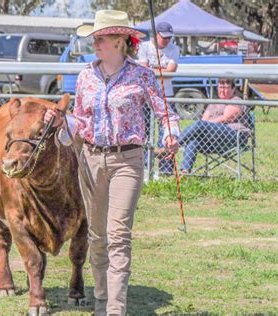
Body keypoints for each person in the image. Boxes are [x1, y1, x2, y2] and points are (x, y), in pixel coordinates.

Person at [44, 10, 180, 316]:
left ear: (120, 41)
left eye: (101, 37)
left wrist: (171, 135)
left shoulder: (142, 75)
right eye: (94, 38)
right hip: (90, 160)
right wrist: (60, 123)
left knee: (118, 235)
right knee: (97, 235)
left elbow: (165, 113)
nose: (95, 42)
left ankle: (115, 309)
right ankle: (102, 301)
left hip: (127, 160)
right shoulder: (85, 77)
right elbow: (79, 123)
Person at [179, 78, 248, 174]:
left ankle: (176, 143)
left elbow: (227, 118)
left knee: (200, 124)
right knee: (193, 141)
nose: (222, 90)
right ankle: (185, 171)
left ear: (233, 89)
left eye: (225, 87)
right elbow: (204, 120)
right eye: (220, 87)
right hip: (215, 140)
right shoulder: (213, 103)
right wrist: (205, 125)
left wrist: (207, 124)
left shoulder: (236, 100)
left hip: (234, 136)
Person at [137, 21, 180, 175]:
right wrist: (160, 70)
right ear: (156, 34)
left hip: (166, 95)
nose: (167, 40)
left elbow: (170, 71)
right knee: (144, 132)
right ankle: (144, 168)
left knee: (167, 134)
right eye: (164, 37)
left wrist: (152, 70)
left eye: (169, 37)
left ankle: (165, 171)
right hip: (146, 95)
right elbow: (143, 70)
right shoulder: (144, 47)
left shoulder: (174, 49)